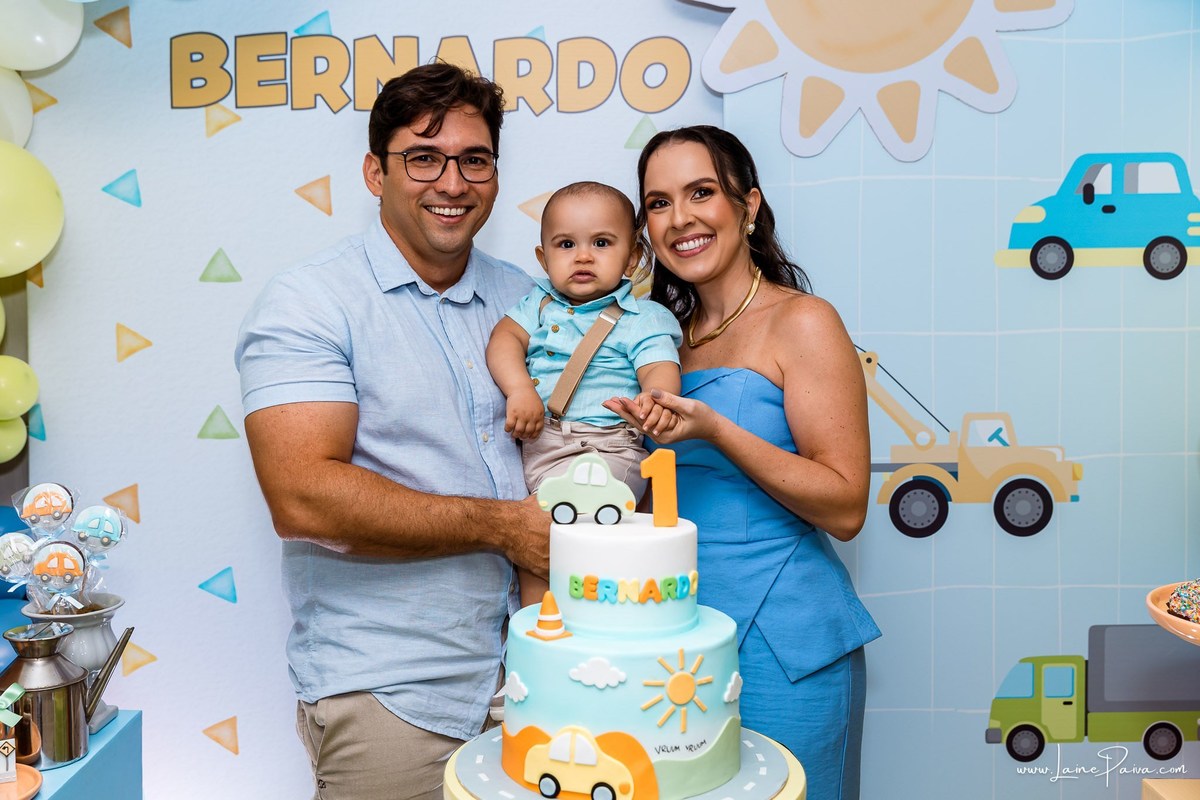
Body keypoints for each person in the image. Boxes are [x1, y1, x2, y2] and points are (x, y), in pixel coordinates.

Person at [234, 63, 549, 800]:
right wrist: (509, 528)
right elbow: (305, 498)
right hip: (392, 695)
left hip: (544, 681)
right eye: (423, 157)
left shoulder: (530, 301)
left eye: (475, 159)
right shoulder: (310, 302)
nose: (452, 181)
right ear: (376, 173)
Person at [603, 125, 881, 800]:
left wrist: (717, 431)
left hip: (786, 644)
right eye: (659, 203)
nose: (681, 219)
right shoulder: (657, 340)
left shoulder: (804, 321)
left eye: (702, 193)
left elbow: (846, 507)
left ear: (748, 205)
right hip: (676, 647)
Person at [486, 181, 682, 605]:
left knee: (588, 525)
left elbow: (659, 367)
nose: (583, 256)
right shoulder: (538, 302)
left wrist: (655, 399)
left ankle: (599, 618)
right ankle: (540, 625)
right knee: (537, 543)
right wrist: (519, 388)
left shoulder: (642, 317)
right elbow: (504, 341)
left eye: (602, 242)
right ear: (543, 257)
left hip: (608, 448)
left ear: (632, 257)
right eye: (565, 244)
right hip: (544, 446)